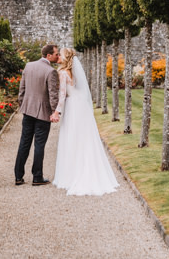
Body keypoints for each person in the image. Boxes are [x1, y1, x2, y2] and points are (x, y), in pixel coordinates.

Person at [51, 48, 119, 196]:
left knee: (72, 138)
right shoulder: (75, 73)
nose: (58, 57)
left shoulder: (62, 73)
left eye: (60, 55)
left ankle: (72, 175)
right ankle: (88, 169)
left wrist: (57, 111)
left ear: (66, 57)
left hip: (72, 108)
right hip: (82, 106)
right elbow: (80, 91)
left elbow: (62, 95)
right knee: (85, 139)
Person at [14, 44, 61, 186]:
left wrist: (22, 105)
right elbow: (53, 94)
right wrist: (55, 111)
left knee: (24, 143)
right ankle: (37, 177)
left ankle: (18, 176)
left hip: (27, 111)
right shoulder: (51, 71)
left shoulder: (28, 66)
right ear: (48, 56)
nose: (57, 56)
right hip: (43, 113)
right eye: (56, 54)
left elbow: (21, 89)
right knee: (39, 145)